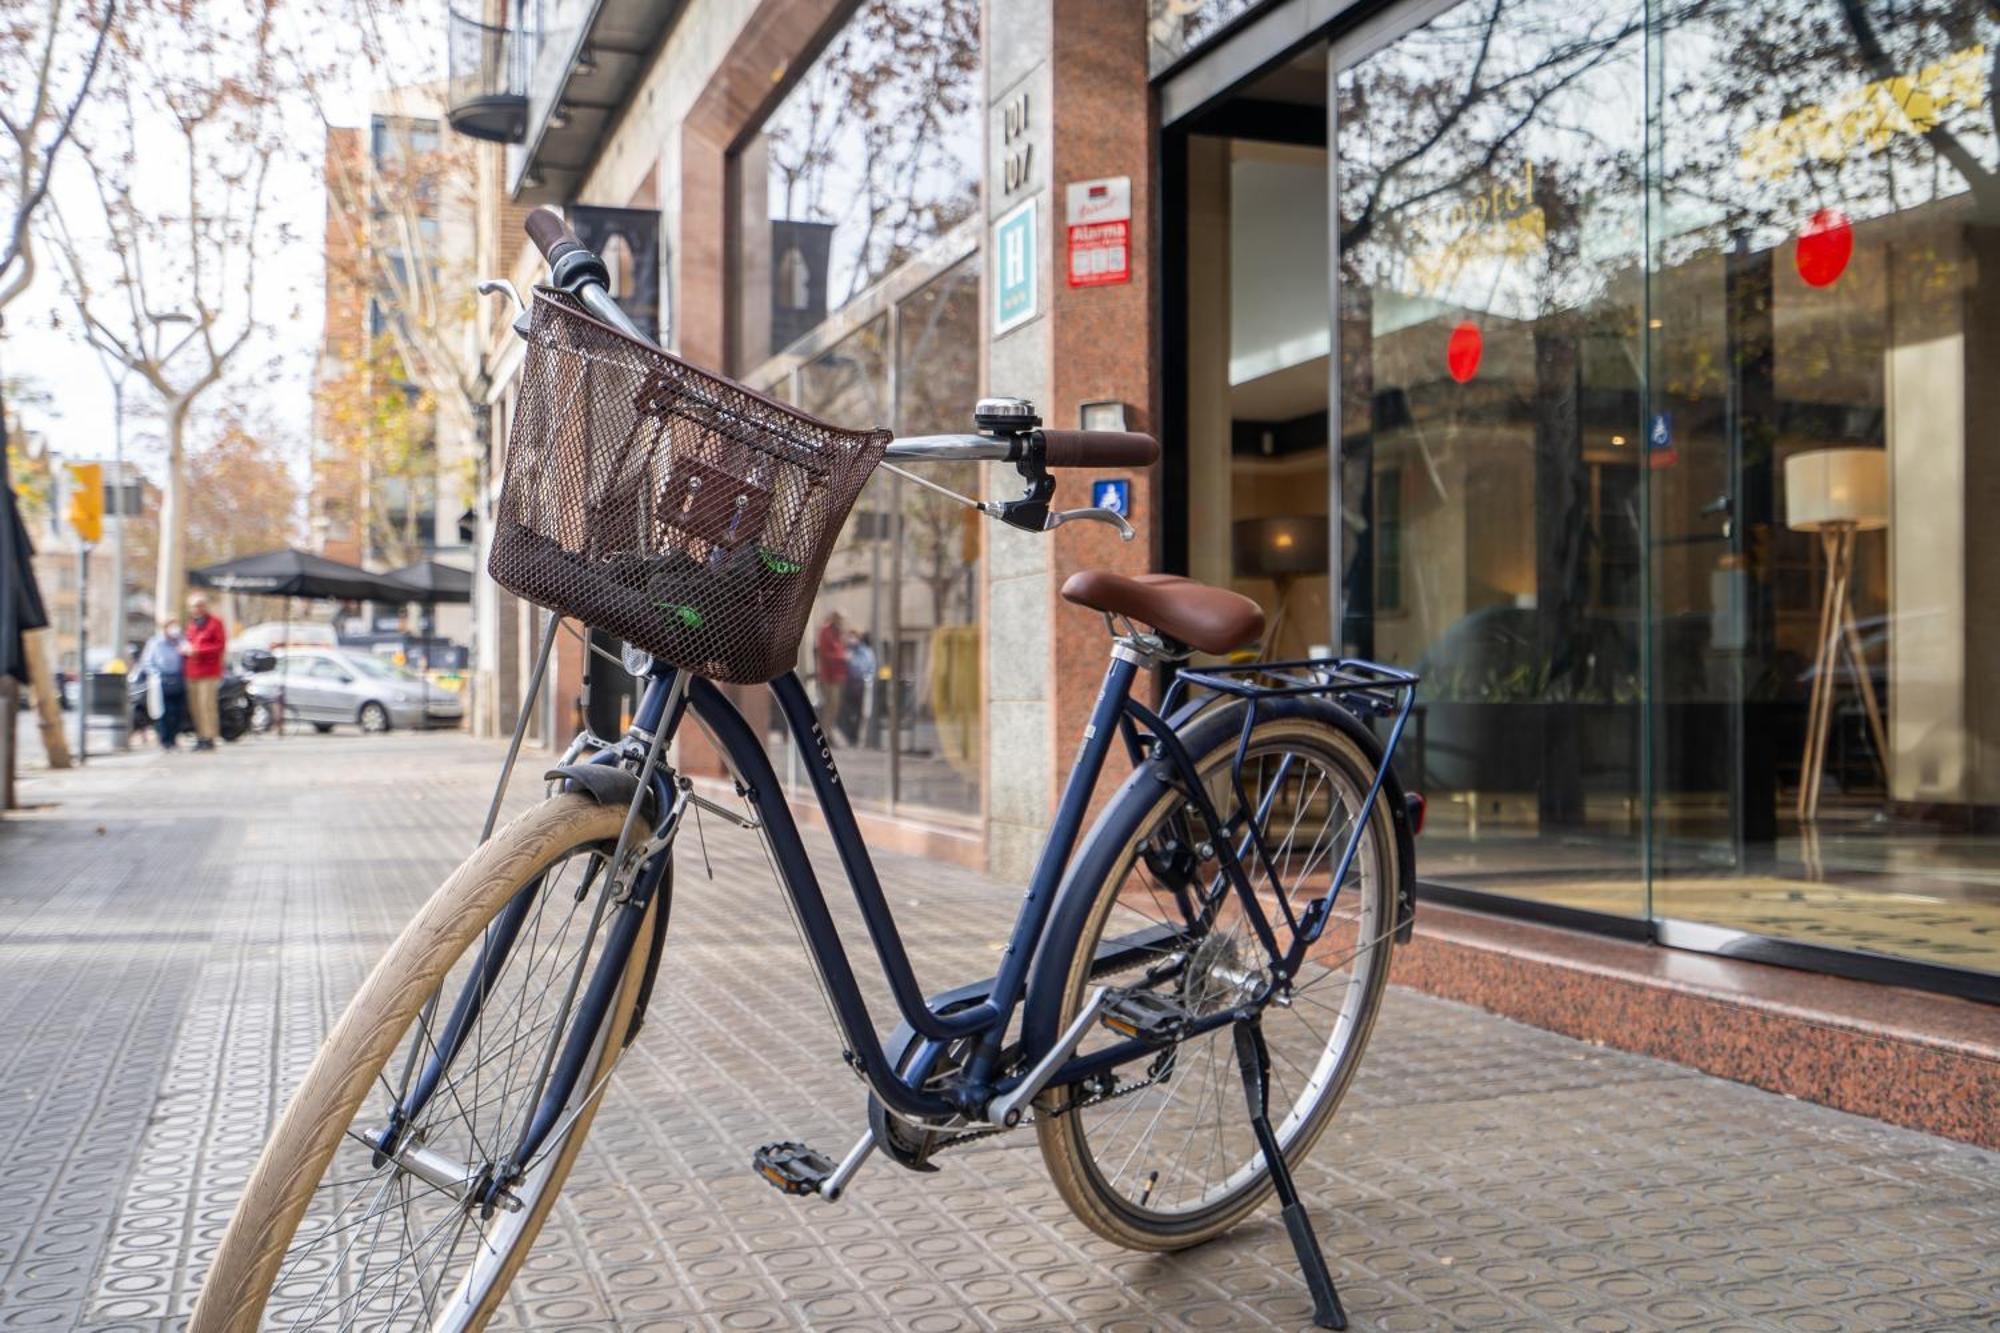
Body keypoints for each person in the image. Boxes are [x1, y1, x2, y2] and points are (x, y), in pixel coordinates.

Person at [183, 594, 227, 752]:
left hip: (208, 671)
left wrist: (198, 651)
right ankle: (200, 736)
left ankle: (209, 737)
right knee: (195, 706)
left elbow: (219, 645)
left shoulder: (215, 623)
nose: (197, 609)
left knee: (206, 704)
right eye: (194, 606)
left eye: (200, 605)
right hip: (192, 672)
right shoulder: (191, 625)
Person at [139, 619, 187, 750]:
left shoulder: (181, 642)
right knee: (165, 712)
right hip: (162, 681)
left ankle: (174, 738)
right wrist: (155, 674)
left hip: (179, 679)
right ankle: (165, 740)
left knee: (178, 712)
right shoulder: (155, 643)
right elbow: (147, 662)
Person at [813, 611, 848, 743]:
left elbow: (840, 649)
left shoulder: (838, 633)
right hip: (828, 676)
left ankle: (828, 732)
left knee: (835, 706)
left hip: (838, 676)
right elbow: (825, 654)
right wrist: (842, 657)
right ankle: (824, 734)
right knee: (830, 705)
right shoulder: (825, 631)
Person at [845, 630, 876, 747]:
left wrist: (850, 660)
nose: (852, 640)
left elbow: (864, 667)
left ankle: (855, 738)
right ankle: (850, 736)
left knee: (859, 713)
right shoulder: (849, 650)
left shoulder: (865, 652)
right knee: (849, 712)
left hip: (861, 684)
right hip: (850, 684)